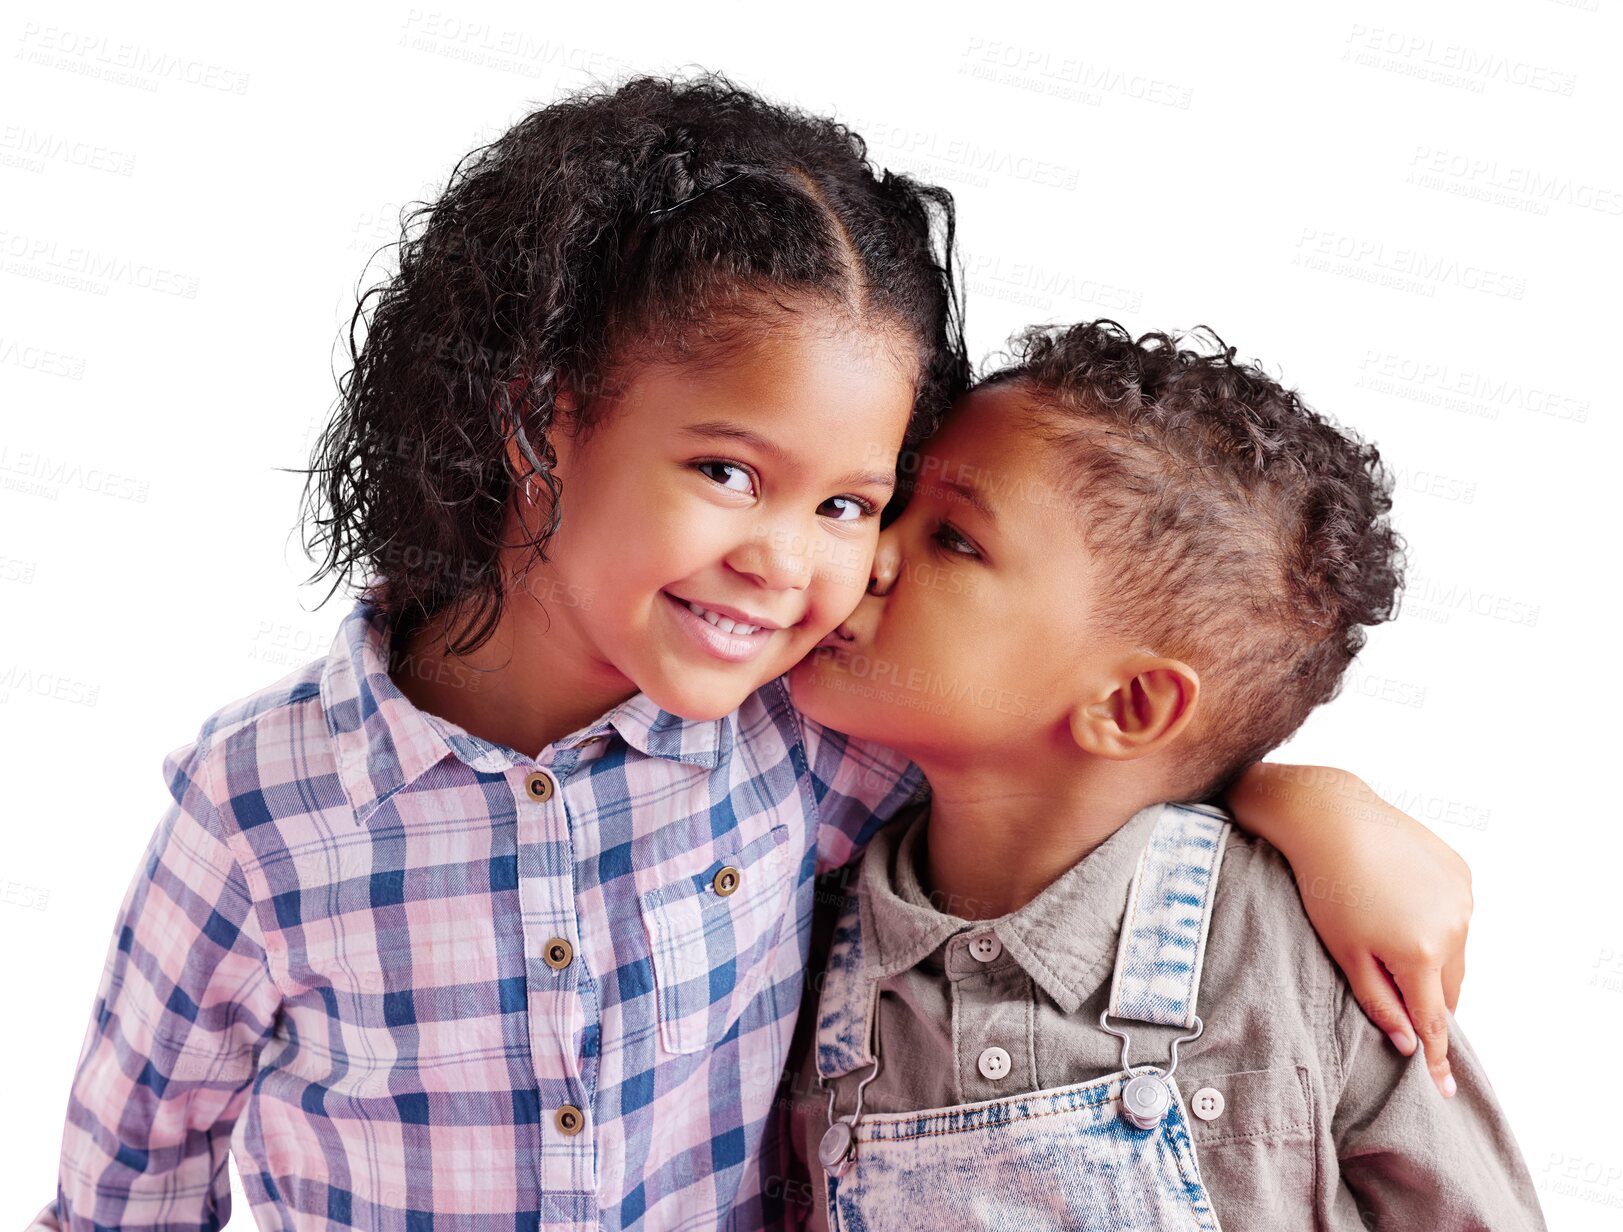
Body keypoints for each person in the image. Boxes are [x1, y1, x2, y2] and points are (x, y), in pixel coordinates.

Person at [32, 76, 1472, 1231]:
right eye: (726, 471)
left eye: (849, 502)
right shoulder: (260, 808)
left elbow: (1072, 776)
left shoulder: (808, 744)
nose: (792, 562)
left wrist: (1310, 803)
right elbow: (126, 1183)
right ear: (542, 427)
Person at [777, 320, 1544, 1231]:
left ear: (1131, 706)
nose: (867, 551)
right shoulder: (805, 932)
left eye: (953, 539)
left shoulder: (1308, 953)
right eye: (894, 504)